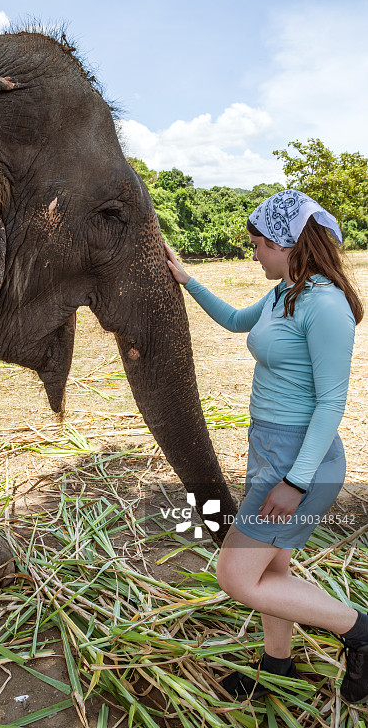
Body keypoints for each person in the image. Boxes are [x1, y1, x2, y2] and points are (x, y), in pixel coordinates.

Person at [165, 189, 367, 704]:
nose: (254, 254)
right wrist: (188, 280)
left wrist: (296, 481)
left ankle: (359, 631)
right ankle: (278, 662)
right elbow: (236, 321)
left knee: (235, 575)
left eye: (258, 244)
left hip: (303, 462)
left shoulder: (325, 305)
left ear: (287, 242)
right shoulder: (287, 292)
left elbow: (331, 403)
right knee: (272, 569)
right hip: (271, 450)